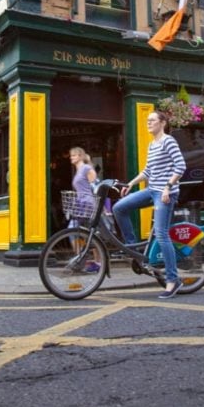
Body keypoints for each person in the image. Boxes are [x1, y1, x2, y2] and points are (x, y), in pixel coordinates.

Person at [112, 110, 187, 299]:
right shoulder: (152, 144)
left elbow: (180, 166)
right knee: (119, 208)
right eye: (147, 121)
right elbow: (147, 171)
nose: (148, 123)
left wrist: (168, 187)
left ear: (162, 123)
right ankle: (134, 250)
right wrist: (130, 184)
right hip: (151, 190)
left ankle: (173, 280)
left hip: (165, 194)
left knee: (161, 234)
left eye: (152, 120)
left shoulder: (168, 141)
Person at [68, 147, 99, 271]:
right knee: (84, 233)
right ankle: (81, 257)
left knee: (88, 233)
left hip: (88, 204)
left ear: (80, 156)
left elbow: (95, 184)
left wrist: (101, 206)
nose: (71, 158)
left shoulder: (86, 168)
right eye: (71, 156)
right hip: (81, 204)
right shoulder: (78, 170)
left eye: (74, 155)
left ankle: (96, 262)